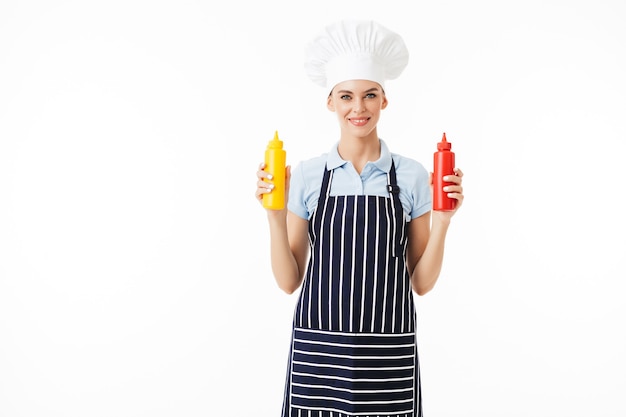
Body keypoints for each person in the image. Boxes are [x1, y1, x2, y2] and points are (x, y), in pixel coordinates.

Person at [255, 19, 464, 417]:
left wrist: (444, 221)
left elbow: (421, 283)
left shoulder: (412, 176)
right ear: (330, 102)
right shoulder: (308, 175)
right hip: (320, 357)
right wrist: (274, 215)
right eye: (346, 96)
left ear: (384, 100)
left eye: (369, 95)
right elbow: (287, 281)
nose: (358, 108)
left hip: (387, 358)